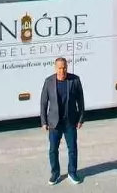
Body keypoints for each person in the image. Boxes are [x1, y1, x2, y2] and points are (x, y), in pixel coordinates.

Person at [39, 57, 85, 185]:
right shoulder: (49, 82)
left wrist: (81, 118)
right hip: (54, 123)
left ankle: (72, 172)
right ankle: (55, 173)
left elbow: (80, 101)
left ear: (67, 67)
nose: (62, 70)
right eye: (59, 68)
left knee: (73, 149)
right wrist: (43, 121)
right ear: (55, 68)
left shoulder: (74, 80)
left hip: (70, 122)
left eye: (64, 67)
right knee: (53, 149)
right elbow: (43, 102)